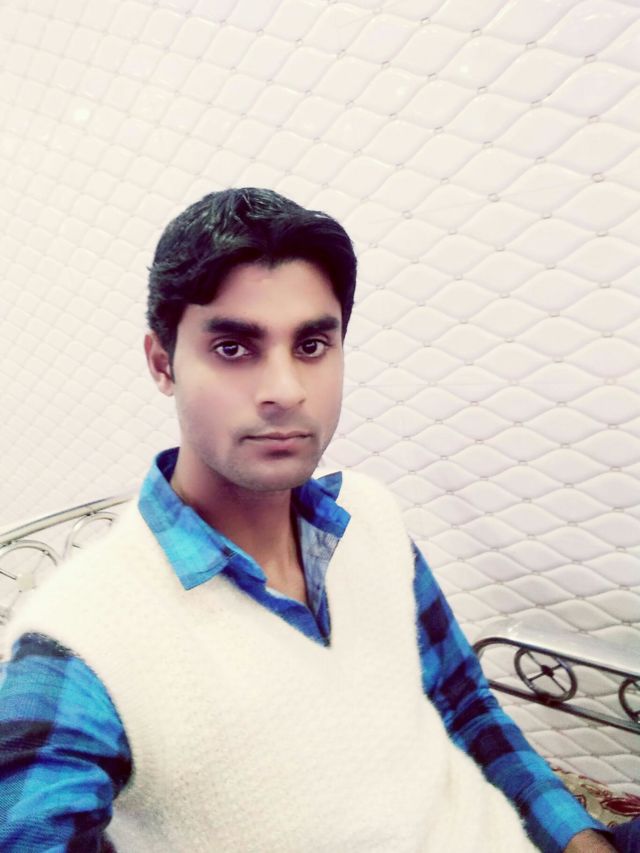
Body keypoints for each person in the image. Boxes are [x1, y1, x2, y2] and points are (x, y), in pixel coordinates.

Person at [0, 188, 618, 852]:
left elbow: (466, 707)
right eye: (233, 348)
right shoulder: (80, 640)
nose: (286, 390)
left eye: (313, 344)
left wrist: (579, 841)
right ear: (162, 363)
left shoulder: (368, 516)